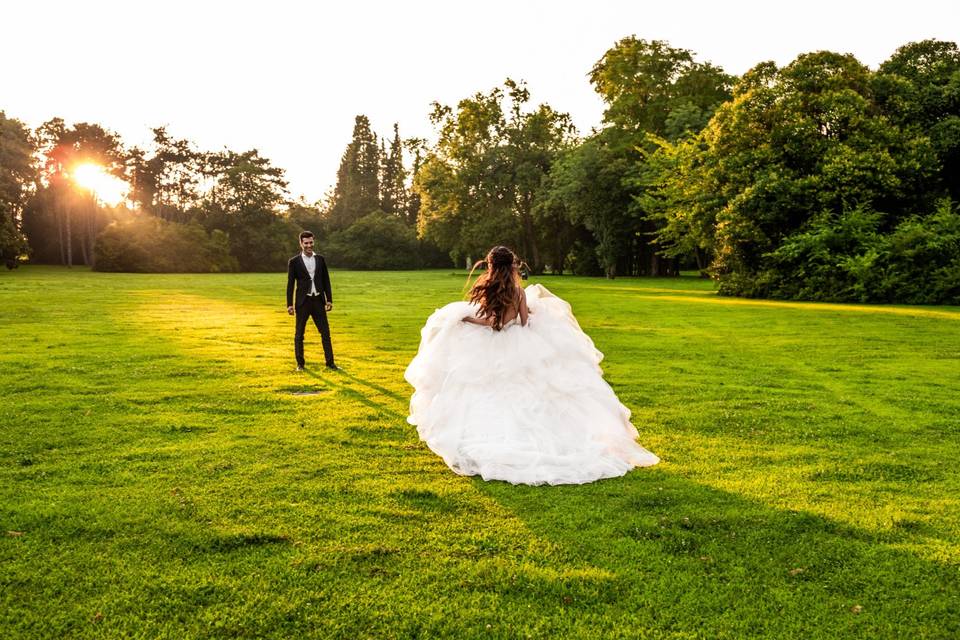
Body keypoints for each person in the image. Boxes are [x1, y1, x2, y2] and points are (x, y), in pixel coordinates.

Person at [404, 245, 659, 486]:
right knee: (530, 389)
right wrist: (524, 315)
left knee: (485, 389)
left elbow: (493, 322)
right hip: (517, 343)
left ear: (490, 265)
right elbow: (523, 321)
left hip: (490, 344)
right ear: (513, 266)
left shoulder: (488, 287)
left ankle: (486, 435)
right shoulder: (518, 292)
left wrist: (467, 320)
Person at [286, 231, 337, 371]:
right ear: (301, 243)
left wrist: (329, 300)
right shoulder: (294, 262)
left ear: (313, 242)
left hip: (318, 301)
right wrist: (289, 304)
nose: (309, 245)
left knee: (325, 333)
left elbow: (326, 280)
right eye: (306, 243)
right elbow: (290, 284)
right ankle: (300, 364)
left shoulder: (320, 259)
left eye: (311, 242)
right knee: (299, 334)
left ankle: (330, 363)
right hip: (303, 302)